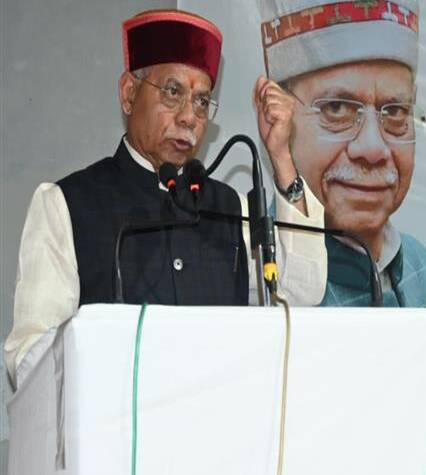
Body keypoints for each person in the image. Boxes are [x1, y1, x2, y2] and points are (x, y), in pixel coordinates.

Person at [4, 9, 327, 387]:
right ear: (129, 94)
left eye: (202, 101)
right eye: (173, 92)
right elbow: (30, 359)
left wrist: (282, 157)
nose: (189, 117)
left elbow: (302, 292)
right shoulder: (68, 204)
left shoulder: (230, 208)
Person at [255, 0, 426, 307]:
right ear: (278, 120)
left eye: (395, 111)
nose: (372, 149)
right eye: (336, 108)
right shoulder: (260, 272)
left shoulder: (421, 267)